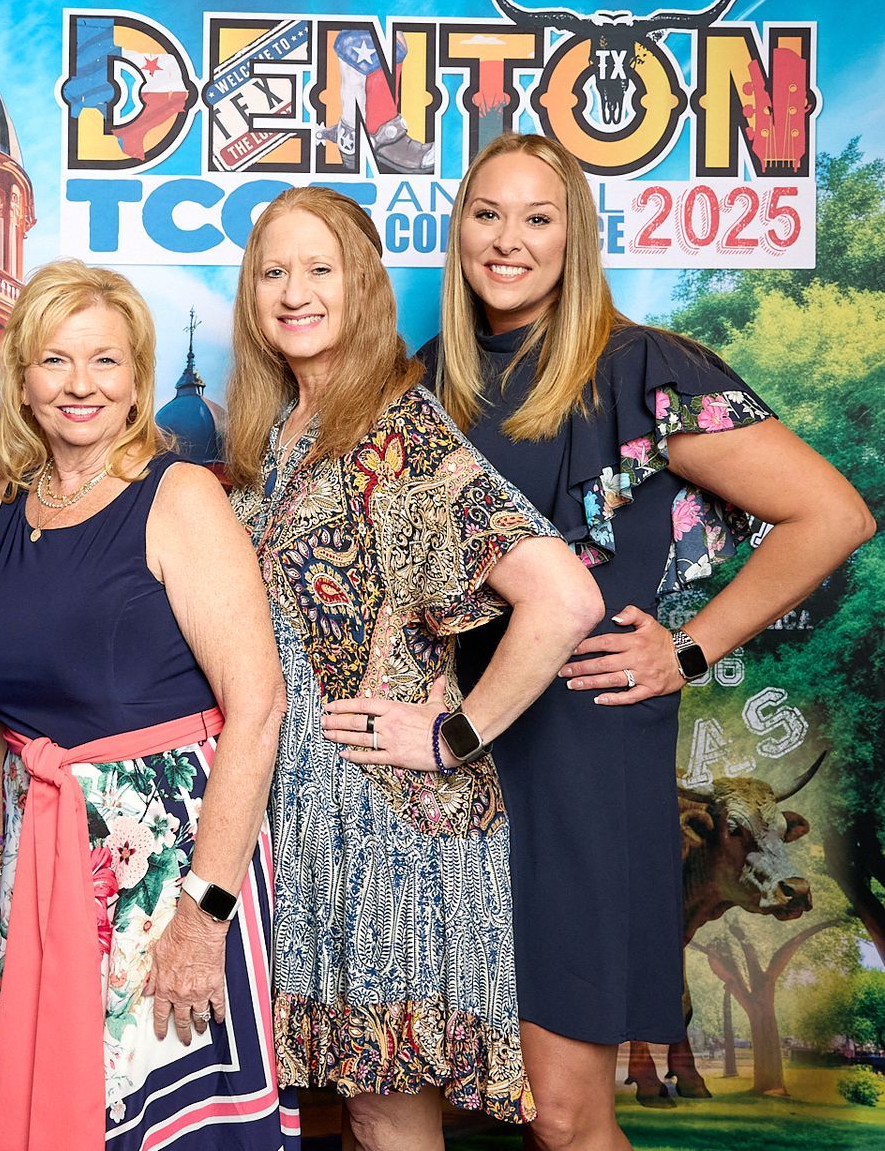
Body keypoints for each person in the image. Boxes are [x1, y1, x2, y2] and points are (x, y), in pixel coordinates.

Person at [418, 132, 875, 1150]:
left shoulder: (643, 369)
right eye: (488, 214)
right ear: (460, 230)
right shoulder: (428, 381)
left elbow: (832, 515)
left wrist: (689, 647)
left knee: (564, 1111)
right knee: (467, 1097)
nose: (508, 239)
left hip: (581, 754)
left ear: (575, 237)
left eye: (538, 218)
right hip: (455, 755)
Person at [223, 186, 604, 1150]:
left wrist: (453, 733)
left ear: (364, 287)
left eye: (321, 270)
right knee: (347, 1112)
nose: (295, 292)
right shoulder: (278, 434)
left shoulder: (396, 435)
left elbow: (564, 597)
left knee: (385, 1113)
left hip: (389, 823)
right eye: (274, 272)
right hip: (300, 818)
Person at [0, 260, 294, 1150]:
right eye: (56, 360)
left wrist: (203, 915)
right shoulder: (3, 510)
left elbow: (258, 706)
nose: (82, 385)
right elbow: (2, 717)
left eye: (105, 360)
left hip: (165, 880)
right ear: (21, 381)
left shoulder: (178, 496)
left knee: (158, 1126)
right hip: (39, 868)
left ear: (139, 381)